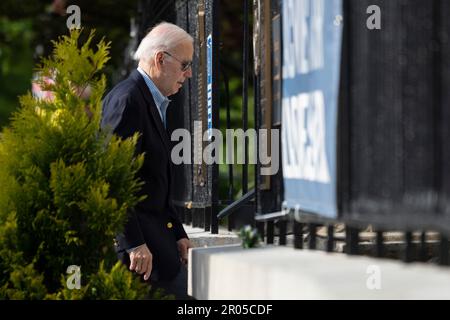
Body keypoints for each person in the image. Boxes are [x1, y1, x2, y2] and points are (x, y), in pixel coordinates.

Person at [101, 22, 193, 299]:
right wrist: (133, 244)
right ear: (160, 59)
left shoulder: (151, 99)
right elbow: (112, 178)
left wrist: (177, 230)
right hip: (142, 259)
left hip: (159, 250)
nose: (188, 74)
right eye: (185, 64)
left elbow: (152, 180)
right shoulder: (129, 100)